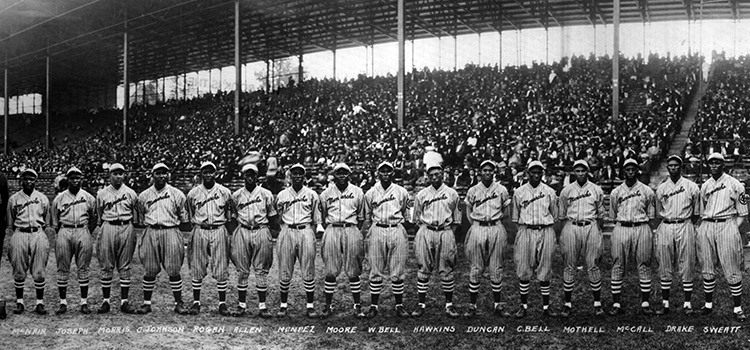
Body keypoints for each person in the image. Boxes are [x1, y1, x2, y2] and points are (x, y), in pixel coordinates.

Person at [696, 153, 748, 321]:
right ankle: (708, 305)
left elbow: (742, 213)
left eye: (717, 163)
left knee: (731, 266)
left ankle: (738, 308)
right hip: (708, 224)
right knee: (707, 265)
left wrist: (733, 227)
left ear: (723, 165)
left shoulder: (735, 184)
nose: (713, 165)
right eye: (711, 163)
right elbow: (703, 210)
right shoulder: (705, 185)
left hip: (727, 223)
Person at [134, 163, 190, 315]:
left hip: (170, 230)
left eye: (164, 173)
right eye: (158, 173)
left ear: (168, 175)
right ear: (152, 175)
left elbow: (184, 217)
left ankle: (179, 303)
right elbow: (140, 217)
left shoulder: (177, 194)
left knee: (173, 269)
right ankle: (146, 304)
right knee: (150, 269)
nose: (161, 176)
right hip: (151, 231)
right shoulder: (144, 195)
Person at [411, 163, 461, 318]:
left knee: (446, 268)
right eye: (431, 175)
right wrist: (426, 230)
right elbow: (416, 218)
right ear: (428, 176)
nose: (434, 177)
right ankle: (421, 305)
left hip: (445, 231)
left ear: (443, 175)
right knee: (423, 267)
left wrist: (447, 233)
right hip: (426, 231)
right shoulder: (422, 194)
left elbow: (457, 219)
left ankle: (449, 305)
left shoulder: (452, 193)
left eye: (437, 174)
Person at [463, 160, 512, 318]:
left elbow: (507, 210)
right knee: (476, 267)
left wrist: (495, 222)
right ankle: (472, 306)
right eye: (484, 170)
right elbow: (468, 209)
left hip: (496, 227)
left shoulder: (501, 189)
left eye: (490, 170)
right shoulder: (473, 190)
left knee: (496, 267)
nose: (488, 172)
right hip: (478, 227)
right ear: (480, 172)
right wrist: (476, 224)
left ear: (494, 172)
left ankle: (498, 304)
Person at [558, 159, 606, 317]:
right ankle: (567, 303)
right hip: (572, 226)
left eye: (583, 170)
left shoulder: (596, 189)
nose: (580, 173)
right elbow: (562, 213)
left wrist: (597, 228)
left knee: (593, 265)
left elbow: (601, 214)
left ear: (588, 171)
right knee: (569, 265)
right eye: (577, 171)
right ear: (573, 172)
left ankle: (597, 303)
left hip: (590, 225)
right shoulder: (566, 191)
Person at [229, 163, 278, 317]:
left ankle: (262, 307)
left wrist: (272, 234)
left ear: (257, 177)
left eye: (253, 175)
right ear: (243, 176)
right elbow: (232, 218)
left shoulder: (266, 194)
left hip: (261, 229)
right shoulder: (236, 195)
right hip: (243, 230)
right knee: (242, 271)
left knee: (261, 270)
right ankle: (241, 305)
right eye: (247, 175)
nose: (250, 177)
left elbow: (273, 217)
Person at [363, 161, 411, 318]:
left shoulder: (401, 191)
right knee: (376, 269)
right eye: (382, 171)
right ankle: (374, 306)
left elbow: (405, 211)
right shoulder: (370, 193)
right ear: (378, 173)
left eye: (388, 171)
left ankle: (399, 306)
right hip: (378, 229)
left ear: (392, 173)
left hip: (396, 228)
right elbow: (367, 215)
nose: (385, 173)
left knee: (397, 270)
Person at [609, 158, 656, 316]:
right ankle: (615, 303)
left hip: (641, 227)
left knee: (644, 264)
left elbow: (651, 214)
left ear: (637, 171)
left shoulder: (647, 191)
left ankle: (645, 302)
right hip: (622, 227)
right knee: (617, 264)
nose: (630, 172)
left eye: (633, 169)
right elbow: (613, 213)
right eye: (627, 169)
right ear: (623, 171)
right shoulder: (616, 192)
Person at [653, 155, 700, 316]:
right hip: (666, 225)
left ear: (681, 167)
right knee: (665, 264)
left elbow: (696, 213)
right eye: (670, 166)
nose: (673, 168)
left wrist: (686, 222)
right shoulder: (661, 188)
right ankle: (665, 304)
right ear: (667, 168)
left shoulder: (692, 186)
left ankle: (687, 303)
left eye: (676, 165)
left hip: (685, 224)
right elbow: (658, 213)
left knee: (687, 263)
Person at [511, 160, 559, 318]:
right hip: (526, 230)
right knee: (524, 269)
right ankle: (523, 306)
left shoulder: (550, 191)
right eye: (533, 172)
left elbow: (555, 215)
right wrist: (525, 231)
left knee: (545, 268)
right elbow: (515, 217)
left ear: (542, 173)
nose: (536, 175)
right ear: (527, 173)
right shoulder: (519, 192)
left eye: (539, 172)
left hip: (545, 230)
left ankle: (546, 307)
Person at [275, 163, 323, 318]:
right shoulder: (282, 195)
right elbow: (277, 216)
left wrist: (312, 233)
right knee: (284, 268)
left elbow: (317, 219)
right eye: (294, 173)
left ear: (304, 176)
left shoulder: (311, 194)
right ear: (290, 176)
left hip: (305, 230)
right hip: (287, 230)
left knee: (308, 268)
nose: (297, 176)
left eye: (300, 174)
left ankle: (310, 306)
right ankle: (283, 305)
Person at [319, 163, 366, 318]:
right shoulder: (326, 193)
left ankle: (357, 306)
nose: (341, 176)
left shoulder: (358, 192)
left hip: (351, 228)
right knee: (331, 270)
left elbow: (361, 217)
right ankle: (328, 305)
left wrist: (352, 228)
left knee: (353, 270)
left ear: (349, 175)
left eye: (345, 173)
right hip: (332, 228)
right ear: (334, 175)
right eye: (338, 173)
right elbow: (323, 214)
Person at [186, 161, 232, 316]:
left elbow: (228, 213)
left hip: (218, 229)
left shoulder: (224, 191)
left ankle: (222, 303)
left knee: (220, 266)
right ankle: (196, 302)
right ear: (201, 174)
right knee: (197, 266)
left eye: (211, 171)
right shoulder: (193, 193)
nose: (208, 174)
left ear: (215, 173)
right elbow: (190, 213)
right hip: (200, 229)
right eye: (205, 172)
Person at [49, 166, 97, 315]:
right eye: (72, 178)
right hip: (65, 230)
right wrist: (62, 231)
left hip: (83, 230)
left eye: (77, 178)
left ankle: (84, 302)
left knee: (83, 268)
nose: (75, 180)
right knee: (63, 268)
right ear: (67, 180)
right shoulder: (59, 198)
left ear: (81, 179)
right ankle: (63, 303)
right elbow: (54, 221)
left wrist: (86, 231)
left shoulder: (89, 197)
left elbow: (94, 218)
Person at [94, 163, 138, 314]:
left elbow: (135, 212)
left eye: (121, 173)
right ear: (109, 175)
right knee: (106, 264)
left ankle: (124, 302)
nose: (118, 176)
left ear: (124, 175)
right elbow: (99, 212)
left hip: (127, 226)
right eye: (115, 173)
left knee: (125, 265)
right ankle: (106, 301)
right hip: (108, 226)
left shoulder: (131, 193)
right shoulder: (102, 194)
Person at [7, 168, 51, 316]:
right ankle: (20, 302)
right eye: (25, 179)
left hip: (38, 232)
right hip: (20, 232)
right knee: (19, 269)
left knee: (39, 270)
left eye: (31, 179)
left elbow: (46, 217)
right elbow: (11, 221)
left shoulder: (42, 198)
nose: (28, 181)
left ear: (35, 181)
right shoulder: (14, 198)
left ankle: (40, 303)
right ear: (21, 181)